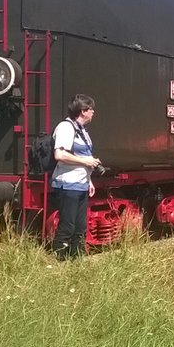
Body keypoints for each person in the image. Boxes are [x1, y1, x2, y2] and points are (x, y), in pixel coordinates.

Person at [51, 94, 101, 260]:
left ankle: (76, 259)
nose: (93, 112)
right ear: (83, 111)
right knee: (68, 225)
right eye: (91, 109)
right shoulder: (66, 127)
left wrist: (90, 180)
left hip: (81, 184)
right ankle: (59, 259)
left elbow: (84, 156)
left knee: (80, 226)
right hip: (68, 184)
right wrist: (85, 161)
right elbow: (59, 154)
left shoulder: (83, 130)